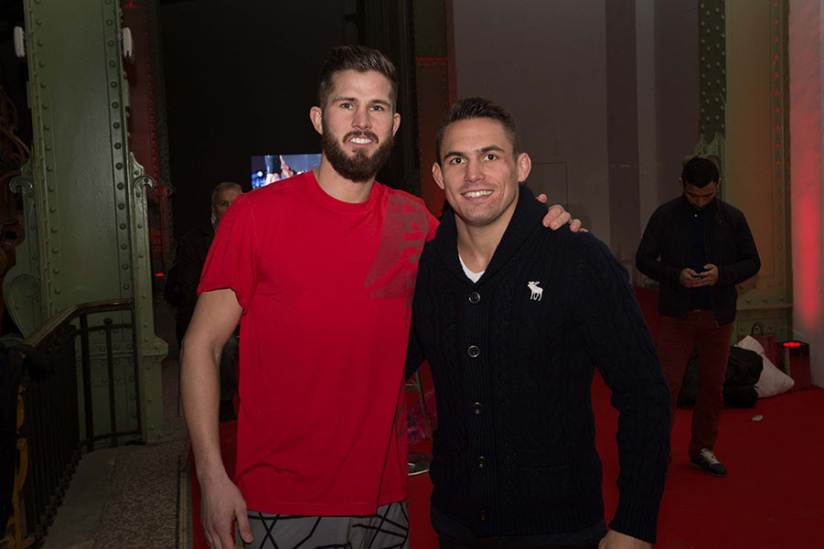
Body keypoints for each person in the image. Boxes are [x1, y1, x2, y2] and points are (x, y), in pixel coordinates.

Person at [181, 47, 576, 549]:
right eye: (347, 104)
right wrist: (212, 477)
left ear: (393, 126)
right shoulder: (254, 217)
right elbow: (201, 346)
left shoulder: (416, 223)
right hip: (280, 499)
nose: (362, 121)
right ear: (318, 118)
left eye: (378, 107)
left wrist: (548, 227)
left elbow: (490, 261)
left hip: (384, 500)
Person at [406, 97, 671, 549]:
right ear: (438, 176)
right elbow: (383, 363)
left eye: (490, 156)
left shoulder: (577, 259)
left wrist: (633, 523)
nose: (473, 175)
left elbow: (645, 394)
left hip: (560, 530)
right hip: (455, 526)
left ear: (521, 166)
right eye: (457, 160)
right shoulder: (426, 268)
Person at [636, 156, 760, 477]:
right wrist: (676, 275)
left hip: (718, 316)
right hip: (677, 315)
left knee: (712, 387)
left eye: (707, 195)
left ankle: (702, 449)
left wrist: (723, 274)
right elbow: (644, 260)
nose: (700, 201)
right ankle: (657, 451)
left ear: (717, 186)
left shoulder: (732, 218)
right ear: (682, 185)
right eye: (693, 195)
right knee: (666, 386)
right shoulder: (665, 216)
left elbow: (752, 261)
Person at [175, 182, 242, 422]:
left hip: (248, 313)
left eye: (237, 203)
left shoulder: (257, 232)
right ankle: (225, 402)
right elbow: (191, 289)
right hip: (208, 315)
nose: (232, 209)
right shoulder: (193, 242)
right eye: (225, 204)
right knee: (226, 347)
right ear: (214, 210)